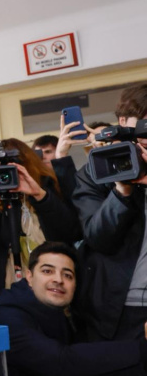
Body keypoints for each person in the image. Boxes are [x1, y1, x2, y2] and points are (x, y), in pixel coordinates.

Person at [0, 241, 147, 376]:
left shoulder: (54, 311)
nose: (58, 279)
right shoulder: (7, 314)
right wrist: (141, 348)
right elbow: (61, 362)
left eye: (68, 275)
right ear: (29, 277)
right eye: (47, 271)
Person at [73, 84, 147, 358]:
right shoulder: (95, 172)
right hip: (117, 308)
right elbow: (98, 238)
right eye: (141, 121)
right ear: (122, 122)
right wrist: (122, 188)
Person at [0, 138, 81, 297]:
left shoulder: (49, 187)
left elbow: (71, 232)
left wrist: (40, 196)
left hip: (54, 282)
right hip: (10, 283)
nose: (5, 174)